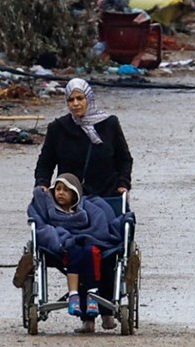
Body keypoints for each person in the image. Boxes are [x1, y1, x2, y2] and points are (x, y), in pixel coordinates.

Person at [24, 173, 123, 333]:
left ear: (75, 194)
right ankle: (74, 295)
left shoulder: (88, 208)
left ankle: (92, 294)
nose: (61, 193)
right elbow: (44, 228)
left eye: (66, 190)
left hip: (89, 241)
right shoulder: (50, 210)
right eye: (58, 189)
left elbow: (100, 226)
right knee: (76, 251)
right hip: (63, 245)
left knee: (89, 251)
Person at [34, 78, 132, 198]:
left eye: (80, 98)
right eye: (71, 100)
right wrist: (42, 184)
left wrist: (123, 183)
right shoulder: (58, 128)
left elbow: (124, 159)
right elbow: (46, 162)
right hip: (71, 198)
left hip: (107, 194)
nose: (75, 104)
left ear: (89, 99)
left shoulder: (109, 124)